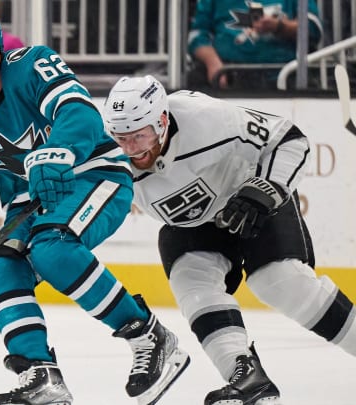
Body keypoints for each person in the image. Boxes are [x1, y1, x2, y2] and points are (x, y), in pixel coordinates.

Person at [0, 10, 190, 405]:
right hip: (28, 202)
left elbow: (80, 113)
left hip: (91, 172)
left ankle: (149, 336)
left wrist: (59, 151)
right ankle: (40, 376)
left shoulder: (33, 65)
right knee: (1, 269)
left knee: (51, 249)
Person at [102, 75, 356, 404]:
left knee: (279, 282)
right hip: (191, 225)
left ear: (162, 121)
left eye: (140, 136)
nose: (131, 149)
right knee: (190, 280)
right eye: (121, 137)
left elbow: (289, 139)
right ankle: (247, 375)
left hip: (249, 202)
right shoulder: (107, 152)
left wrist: (268, 188)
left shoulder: (205, 118)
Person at [188, 0, 323, 89]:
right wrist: (212, 63)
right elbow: (197, 35)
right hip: (227, 74)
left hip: (283, 74)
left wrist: (280, 27)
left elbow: (313, 28)